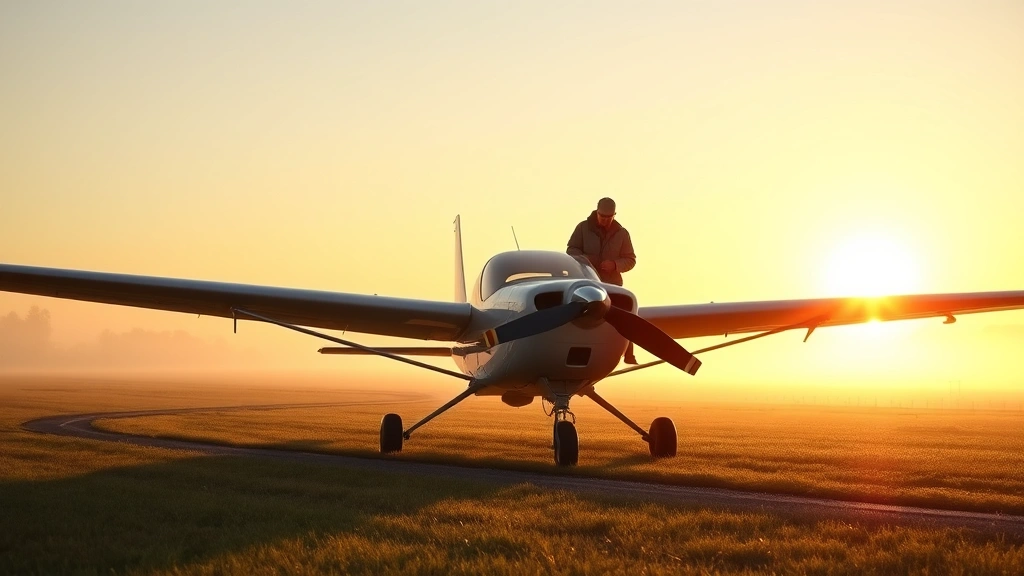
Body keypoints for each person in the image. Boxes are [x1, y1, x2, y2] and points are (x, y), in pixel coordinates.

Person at [567, 197, 638, 364]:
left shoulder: (622, 234)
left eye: (609, 217)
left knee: (626, 315)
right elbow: (571, 250)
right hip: (587, 286)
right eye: (602, 216)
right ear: (597, 212)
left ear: (614, 215)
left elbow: (631, 259)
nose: (605, 220)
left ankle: (629, 355)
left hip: (612, 286)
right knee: (582, 320)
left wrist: (614, 265)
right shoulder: (582, 228)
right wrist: (586, 260)